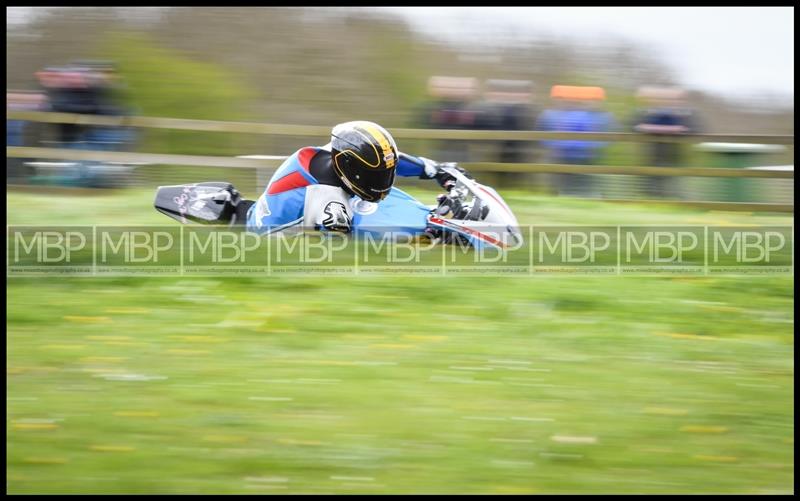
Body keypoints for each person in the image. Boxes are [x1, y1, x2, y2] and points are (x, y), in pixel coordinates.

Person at [242, 120, 468, 235]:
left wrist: (435, 169)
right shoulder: (328, 202)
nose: (383, 181)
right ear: (350, 168)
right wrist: (424, 236)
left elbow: (389, 159)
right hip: (274, 237)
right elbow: (353, 251)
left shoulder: (339, 154)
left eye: (384, 175)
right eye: (375, 176)